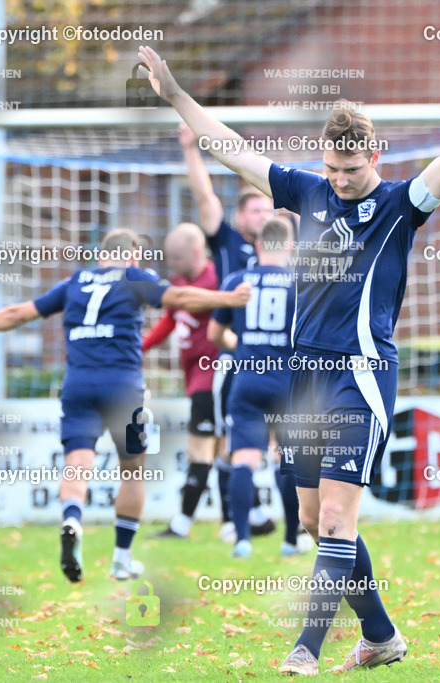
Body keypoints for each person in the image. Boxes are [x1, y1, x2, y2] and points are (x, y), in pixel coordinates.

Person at [136, 37, 440, 674]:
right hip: (302, 379)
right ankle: (381, 636)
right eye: (334, 170)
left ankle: (303, 650)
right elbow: (232, 150)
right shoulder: (308, 192)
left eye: (353, 170)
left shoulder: (398, 206)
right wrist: (176, 94)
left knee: (339, 519)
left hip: (361, 376)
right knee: (316, 521)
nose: (342, 182)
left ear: (376, 154)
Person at [0, 229, 251, 581]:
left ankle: (72, 519)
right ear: (133, 256)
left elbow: (19, 313)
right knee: (132, 470)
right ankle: (122, 558)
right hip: (122, 388)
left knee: (77, 465)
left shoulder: (75, 282)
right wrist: (229, 299)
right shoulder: (134, 277)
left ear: (100, 255)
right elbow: (181, 296)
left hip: (78, 386)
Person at [179, 122, 276, 542]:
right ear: (241, 217)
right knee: (228, 437)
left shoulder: (284, 252)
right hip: (235, 360)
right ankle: (232, 521)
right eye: (256, 210)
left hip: (277, 362)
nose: (264, 216)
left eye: (269, 210)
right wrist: (190, 149)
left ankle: (285, 524)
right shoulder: (229, 244)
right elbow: (206, 198)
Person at [208, 217, 303, 558]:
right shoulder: (301, 284)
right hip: (287, 383)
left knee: (244, 459)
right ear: (291, 247)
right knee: (286, 460)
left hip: (247, 380)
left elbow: (215, 335)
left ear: (259, 245)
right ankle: (292, 539)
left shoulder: (237, 281)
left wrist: (246, 346)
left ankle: (243, 540)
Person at [143, 223, 223, 539]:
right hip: (194, 378)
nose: (172, 266)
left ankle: (182, 523)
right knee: (222, 452)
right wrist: (141, 347)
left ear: (195, 251)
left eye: (177, 259)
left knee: (200, 450)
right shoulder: (179, 283)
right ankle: (250, 520)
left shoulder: (216, 281)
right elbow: (170, 318)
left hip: (212, 376)